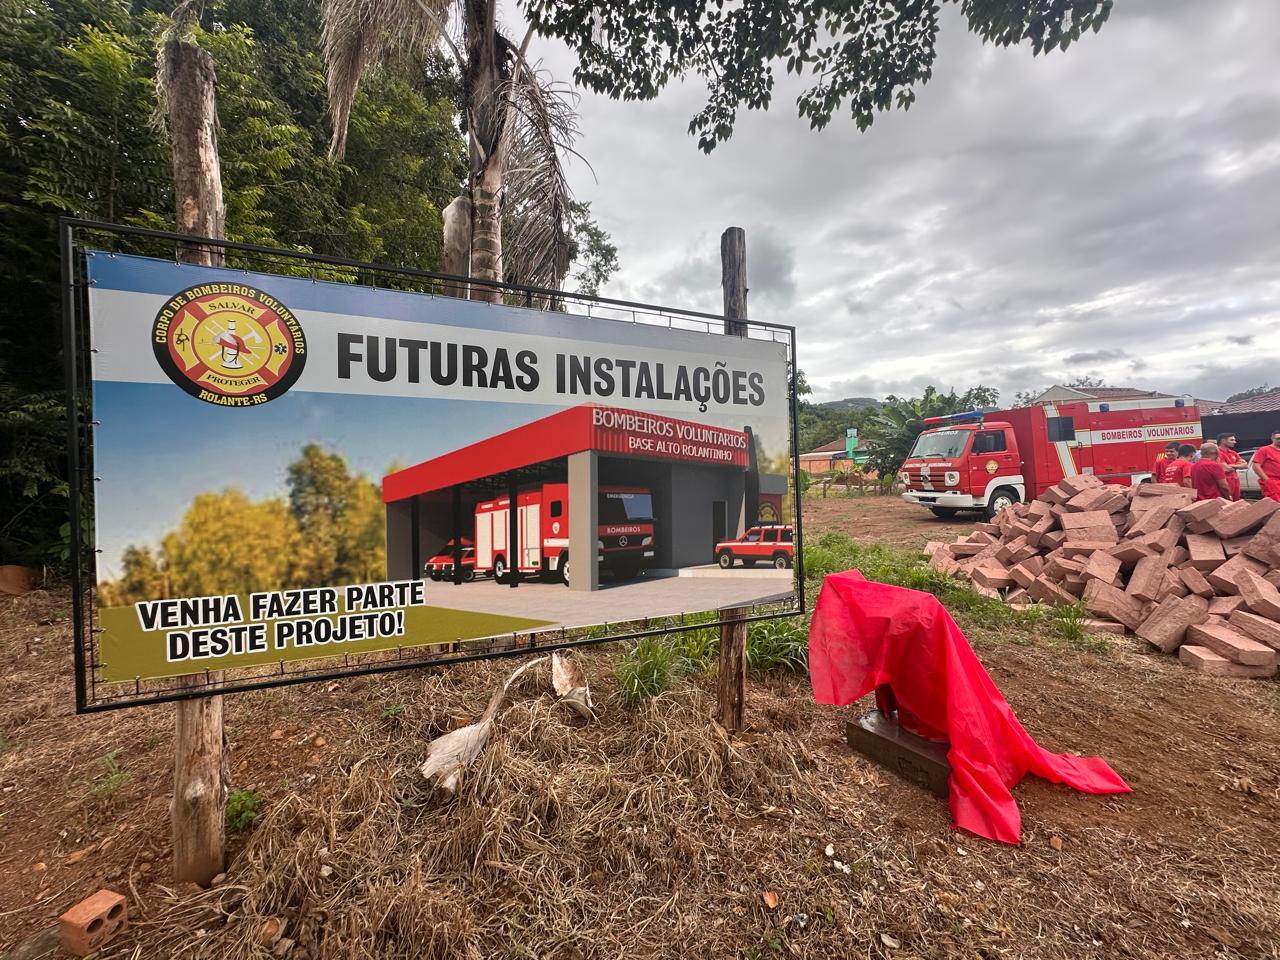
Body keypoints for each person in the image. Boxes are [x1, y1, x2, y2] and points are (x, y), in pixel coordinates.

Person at [1251, 429, 1280, 502]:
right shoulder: (1264, 450)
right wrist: (1267, 480)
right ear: (1272, 438)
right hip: (1272, 482)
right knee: (1275, 504)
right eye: (1278, 438)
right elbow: (1256, 465)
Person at [1216, 432, 1245, 500]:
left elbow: (1245, 465)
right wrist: (1237, 465)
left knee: (1236, 501)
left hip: (1235, 480)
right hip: (1225, 480)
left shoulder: (1233, 452)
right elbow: (1226, 469)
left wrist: (1231, 466)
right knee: (1227, 501)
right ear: (1223, 441)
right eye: (1231, 440)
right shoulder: (1218, 453)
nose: (1234, 442)